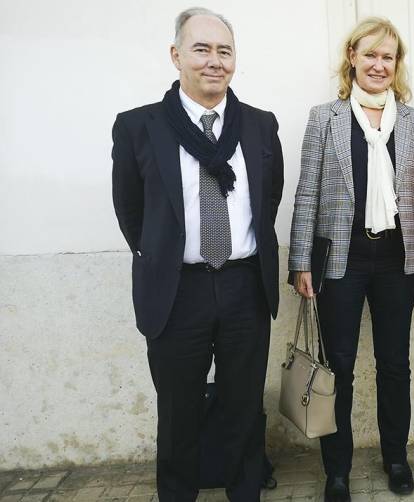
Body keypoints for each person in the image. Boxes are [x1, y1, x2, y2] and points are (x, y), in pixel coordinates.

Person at [111, 7, 283, 502]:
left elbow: (267, 198)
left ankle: (245, 491)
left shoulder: (258, 125)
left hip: (244, 286)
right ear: (176, 56)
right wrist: (165, 257)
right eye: (201, 49)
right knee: (179, 411)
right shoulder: (139, 127)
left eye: (224, 51)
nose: (214, 61)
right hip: (176, 290)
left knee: (243, 407)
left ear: (234, 61)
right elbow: (130, 210)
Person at [288, 17, 414, 502]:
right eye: (369, 54)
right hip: (342, 262)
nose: (378, 64)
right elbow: (306, 191)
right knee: (341, 367)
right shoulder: (324, 118)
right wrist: (300, 262)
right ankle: (337, 471)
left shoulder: (413, 122)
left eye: (387, 56)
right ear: (352, 57)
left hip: (398, 260)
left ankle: (396, 457)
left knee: (395, 365)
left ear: (397, 65)